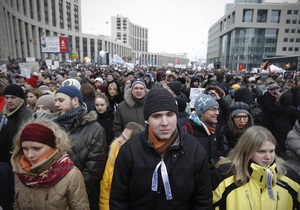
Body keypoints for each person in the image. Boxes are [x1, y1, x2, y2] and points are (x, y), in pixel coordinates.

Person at [110, 87, 212, 210]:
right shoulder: (130, 150)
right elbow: (119, 199)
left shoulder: (195, 149)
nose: (164, 122)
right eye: (157, 116)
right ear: (147, 119)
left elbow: (202, 200)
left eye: (170, 114)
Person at [211, 126, 300, 210]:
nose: (268, 157)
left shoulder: (289, 177)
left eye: (271, 151)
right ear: (246, 151)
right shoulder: (224, 176)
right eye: (261, 152)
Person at [10, 118, 90, 209]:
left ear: (53, 146)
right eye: (25, 148)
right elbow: (16, 205)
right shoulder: (19, 170)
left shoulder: (71, 174)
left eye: (36, 148)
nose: (30, 155)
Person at [55, 85, 107, 210]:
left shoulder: (95, 129)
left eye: (61, 100)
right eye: (55, 100)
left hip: (80, 197)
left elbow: (94, 169)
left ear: (75, 100)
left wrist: (71, 193)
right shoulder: (53, 126)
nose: (56, 104)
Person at [99, 122, 145, 210]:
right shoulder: (113, 154)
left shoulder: (141, 166)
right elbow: (105, 187)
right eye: (121, 135)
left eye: (124, 138)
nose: (119, 140)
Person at [183, 93, 220, 168]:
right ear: (202, 113)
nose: (217, 113)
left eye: (217, 109)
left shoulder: (213, 129)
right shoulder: (187, 130)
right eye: (213, 109)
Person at [0, 84, 33, 164]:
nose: (9, 100)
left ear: (22, 99)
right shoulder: (2, 114)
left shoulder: (28, 115)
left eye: (13, 97)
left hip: (18, 160)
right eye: (7, 98)